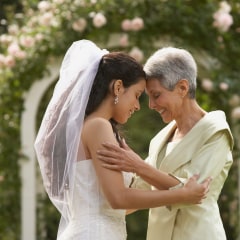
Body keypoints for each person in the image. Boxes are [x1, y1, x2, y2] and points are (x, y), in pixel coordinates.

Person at [34, 40, 211, 240]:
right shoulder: (98, 126)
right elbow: (118, 198)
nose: (137, 106)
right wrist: (182, 195)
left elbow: (115, 206)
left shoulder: (93, 127)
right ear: (118, 87)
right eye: (136, 95)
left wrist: (170, 187)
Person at [97, 47, 234, 240]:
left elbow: (193, 192)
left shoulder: (216, 132)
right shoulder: (159, 139)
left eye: (156, 95)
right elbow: (139, 193)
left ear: (182, 88)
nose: (151, 105)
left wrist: (137, 165)